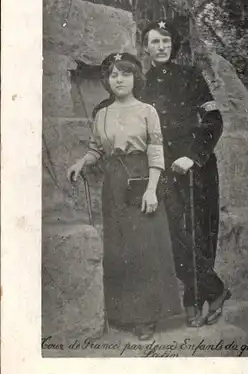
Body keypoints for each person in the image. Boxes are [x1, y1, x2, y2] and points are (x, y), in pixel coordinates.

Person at [67, 52, 182, 341]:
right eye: (114, 74)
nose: (119, 79)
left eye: (125, 73)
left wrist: (152, 189)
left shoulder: (147, 111)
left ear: (135, 77)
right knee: (120, 248)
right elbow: (97, 149)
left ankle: (146, 317)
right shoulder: (102, 114)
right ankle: (123, 313)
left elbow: (156, 152)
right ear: (107, 80)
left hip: (142, 178)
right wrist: (82, 162)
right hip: (114, 183)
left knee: (145, 248)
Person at [140, 20, 231, 327]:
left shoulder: (191, 77)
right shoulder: (143, 83)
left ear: (173, 45)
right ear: (146, 47)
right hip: (163, 170)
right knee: (174, 237)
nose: (161, 46)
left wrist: (193, 157)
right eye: (155, 42)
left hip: (196, 168)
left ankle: (196, 299)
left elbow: (214, 120)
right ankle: (215, 289)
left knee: (199, 235)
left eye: (166, 41)